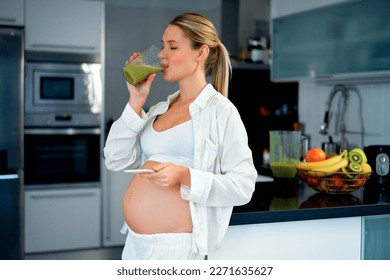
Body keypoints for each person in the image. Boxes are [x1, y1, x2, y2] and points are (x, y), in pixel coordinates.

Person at [104, 13, 257, 260]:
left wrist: (185, 176)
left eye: (172, 47)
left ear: (201, 53)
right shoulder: (158, 110)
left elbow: (243, 186)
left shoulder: (221, 111)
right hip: (135, 244)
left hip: (176, 251)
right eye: (163, 45)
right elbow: (115, 159)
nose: (162, 54)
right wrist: (136, 100)